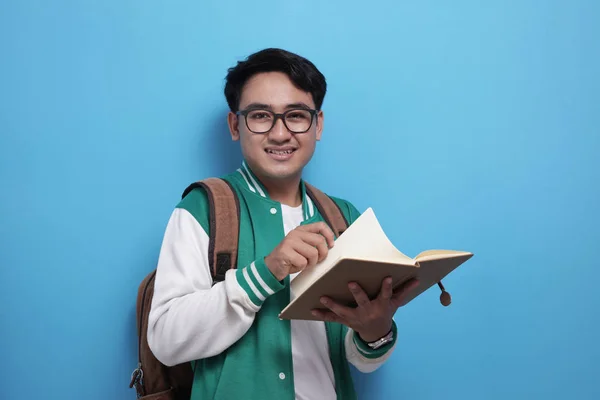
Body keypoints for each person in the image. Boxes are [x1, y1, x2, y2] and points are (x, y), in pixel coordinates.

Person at [147, 48, 419, 400]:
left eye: (296, 115)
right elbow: (165, 340)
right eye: (261, 115)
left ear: (317, 125)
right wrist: (268, 270)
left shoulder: (344, 217)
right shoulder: (203, 209)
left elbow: (359, 359)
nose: (279, 133)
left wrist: (375, 331)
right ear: (235, 125)